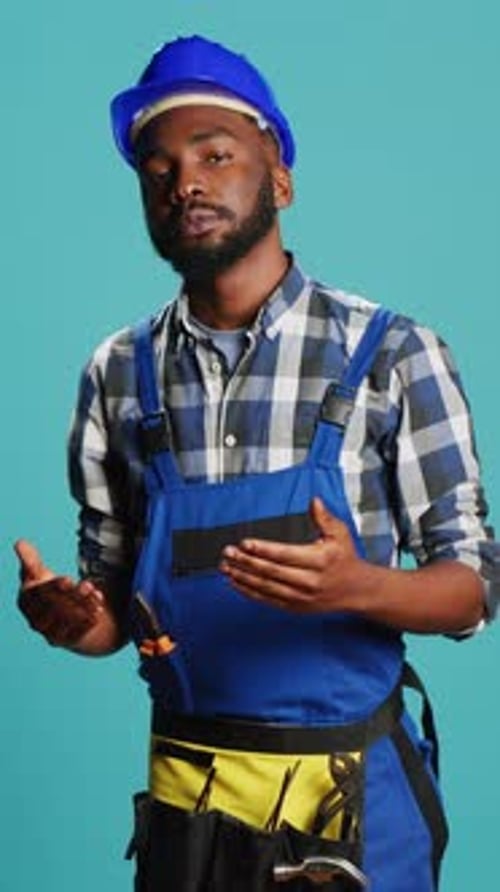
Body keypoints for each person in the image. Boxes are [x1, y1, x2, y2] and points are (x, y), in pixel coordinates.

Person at [15, 34, 499, 892]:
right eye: (159, 171)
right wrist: (76, 621)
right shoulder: (117, 373)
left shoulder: (392, 356)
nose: (185, 184)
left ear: (279, 178)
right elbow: (117, 613)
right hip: (190, 811)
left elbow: (474, 587)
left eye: (215, 156)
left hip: (352, 809)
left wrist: (359, 587)